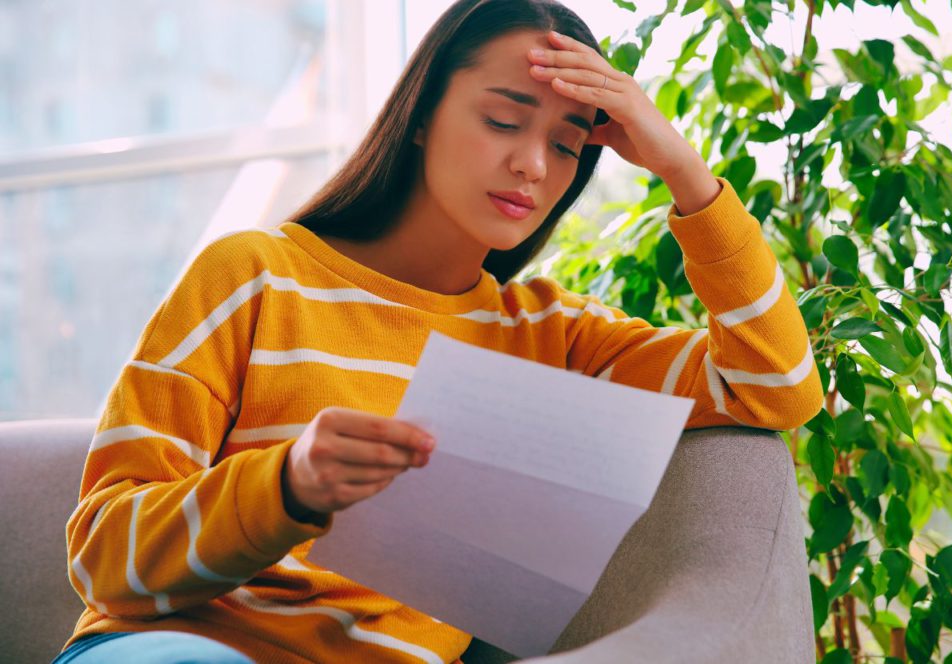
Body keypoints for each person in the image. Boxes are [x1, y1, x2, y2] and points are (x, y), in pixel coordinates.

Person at [55, 0, 825, 662]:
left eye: (565, 144)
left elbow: (777, 382)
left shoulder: (554, 339)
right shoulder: (253, 276)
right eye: (502, 119)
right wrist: (287, 485)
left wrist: (685, 172)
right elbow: (103, 558)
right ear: (421, 115)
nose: (531, 164)